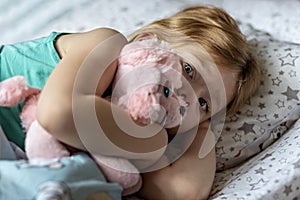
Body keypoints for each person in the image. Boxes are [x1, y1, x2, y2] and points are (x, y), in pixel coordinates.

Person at [0, 5, 261, 200]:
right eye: (189, 69)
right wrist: (152, 143)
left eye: (203, 102)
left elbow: (183, 190)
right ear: (147, 42)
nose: (188, 97)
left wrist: (203, 125)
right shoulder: (106, 44)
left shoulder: (140, 135)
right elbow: (58, 112)